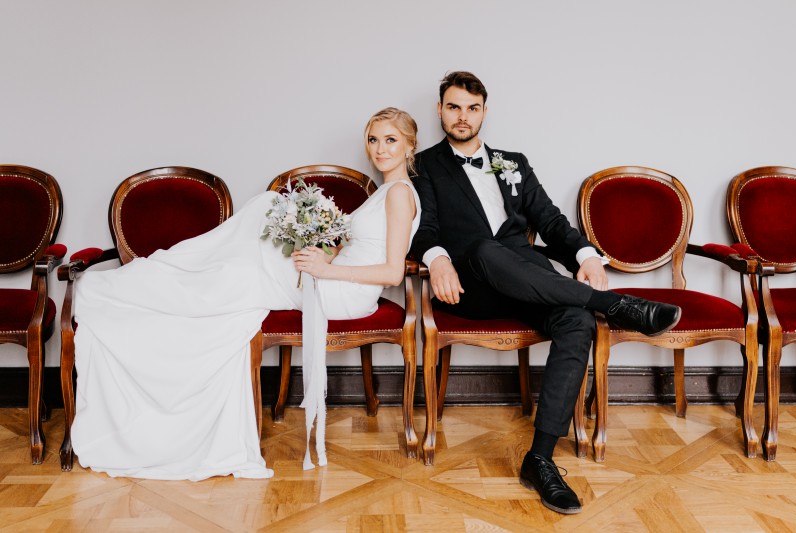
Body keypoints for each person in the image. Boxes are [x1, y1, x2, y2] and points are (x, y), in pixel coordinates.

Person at [70, 107, 420, 481]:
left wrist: (325, 269)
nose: (380, 149)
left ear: (410, 145)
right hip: (333, 278)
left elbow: (392, 272)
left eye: (391, 140)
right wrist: (321, 250)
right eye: (373, 140)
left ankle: (144, 283)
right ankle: (164, 279)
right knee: (251, 245)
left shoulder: (399, 194)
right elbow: (357, 248)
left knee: (252, 240)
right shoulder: (386, 191)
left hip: (345, 292)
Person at [410, 71, 680, 515]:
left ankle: (540, 460)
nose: (463, 117)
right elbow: (424, 228)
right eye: (454, 107)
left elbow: (551, 221)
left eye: (472, 108)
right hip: (469, 285)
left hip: (529, 281)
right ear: (440, 109)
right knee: (485, 248)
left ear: (484, 111)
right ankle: (615, 305)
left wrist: (586, 256)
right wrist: (437, 259)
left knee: (577, 321)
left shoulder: (513, 161)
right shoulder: (423, 165)